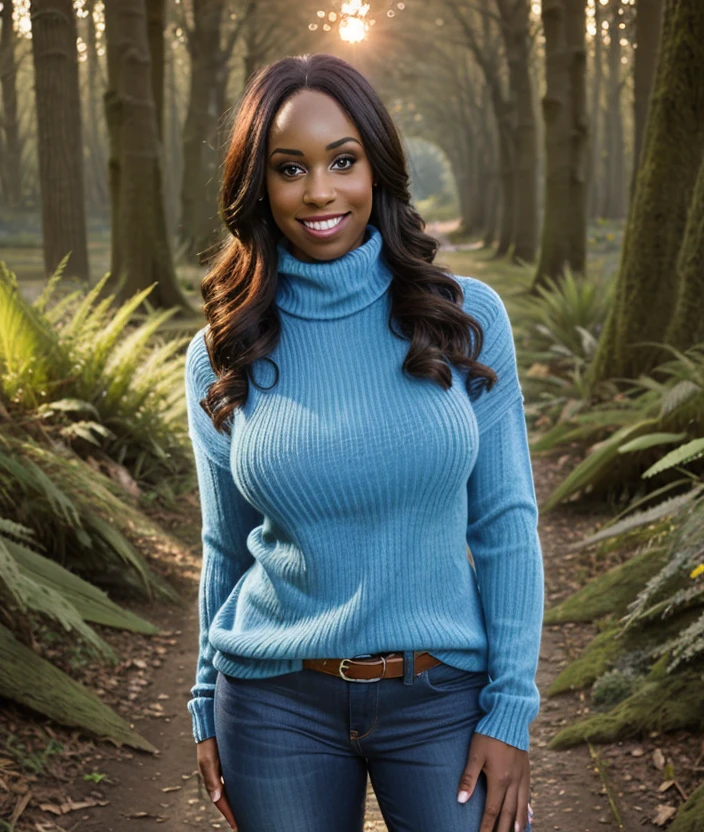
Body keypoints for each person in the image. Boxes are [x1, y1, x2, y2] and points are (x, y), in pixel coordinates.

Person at [184, 52, 543, 832]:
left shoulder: (464, 318)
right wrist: (205, 703)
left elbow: (507, 524)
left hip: (443, 695)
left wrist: (511, 708)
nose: (319, 191)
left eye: (342, 161)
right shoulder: (223, 346)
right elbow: (227, 545)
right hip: (274, 701)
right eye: (290, 168)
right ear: (258, 185)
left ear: (376, 166)